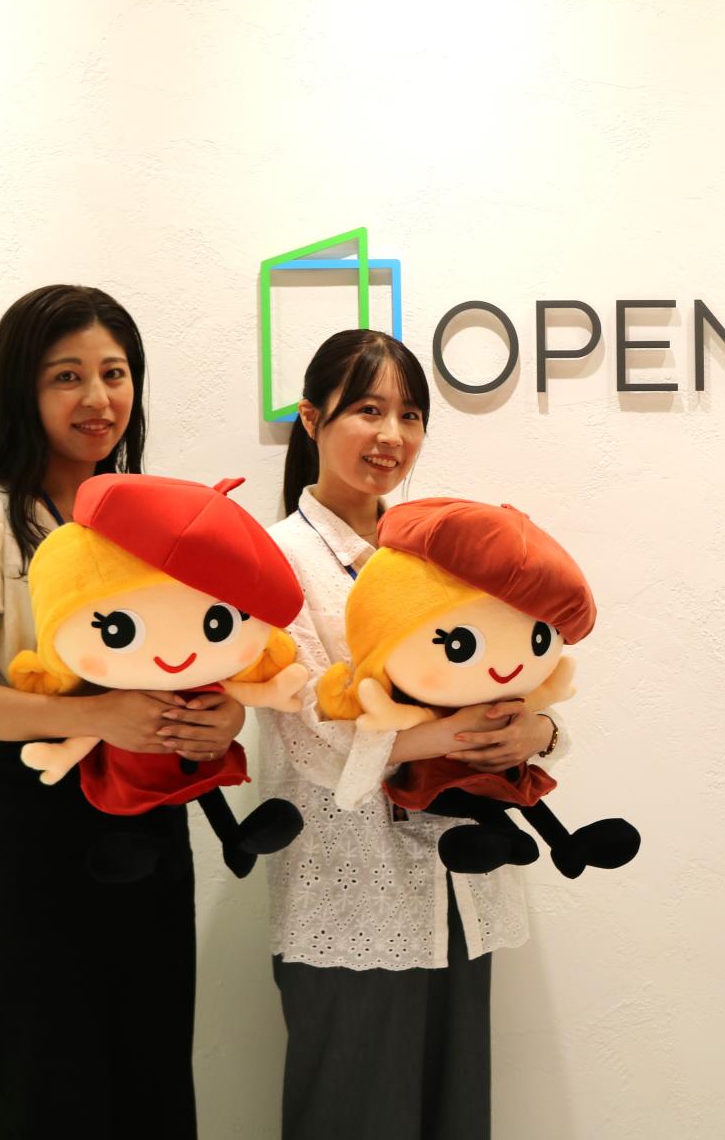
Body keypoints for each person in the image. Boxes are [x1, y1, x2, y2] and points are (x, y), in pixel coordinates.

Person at [0, 284, 243, 1139]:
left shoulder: (145, 520)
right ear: (22, 387)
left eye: (115, 373)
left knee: (155, 1084)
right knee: (50, 1089)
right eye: (67, 376)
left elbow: (192, 660)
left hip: (153, 824)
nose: (98, 398)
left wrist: (221, 719)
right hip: (35, 836)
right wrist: (99, 718)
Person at [258, 328, 565, 1140]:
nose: (392, 435)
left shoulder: (438, 554)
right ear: (311, 419)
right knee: (350, 1115)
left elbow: (512, 673)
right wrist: (456, 739)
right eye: (368, 410)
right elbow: (310, 737)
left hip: (460, 884)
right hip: (349, 895)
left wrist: (536, 730)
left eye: (411, 415)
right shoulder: (279, 559)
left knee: (453, 1117)